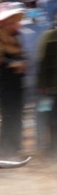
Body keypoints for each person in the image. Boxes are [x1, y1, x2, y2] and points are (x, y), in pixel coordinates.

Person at [0, 3, 27, 159]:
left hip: (17, 82)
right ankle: (4, 150)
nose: (15, 22)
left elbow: (21, 57)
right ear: (3, 21)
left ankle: (15, 148)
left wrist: (21, 63)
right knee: (8, 116)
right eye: (11, 19)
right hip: (3, 83)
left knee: (17, 115)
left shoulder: (15, 37)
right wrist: (15, 64)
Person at [36, 15, 57, 155]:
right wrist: (42, 84)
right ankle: (52, 146)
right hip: (51, 87)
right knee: (51, 117)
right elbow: (42, 62)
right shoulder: (49, 37)